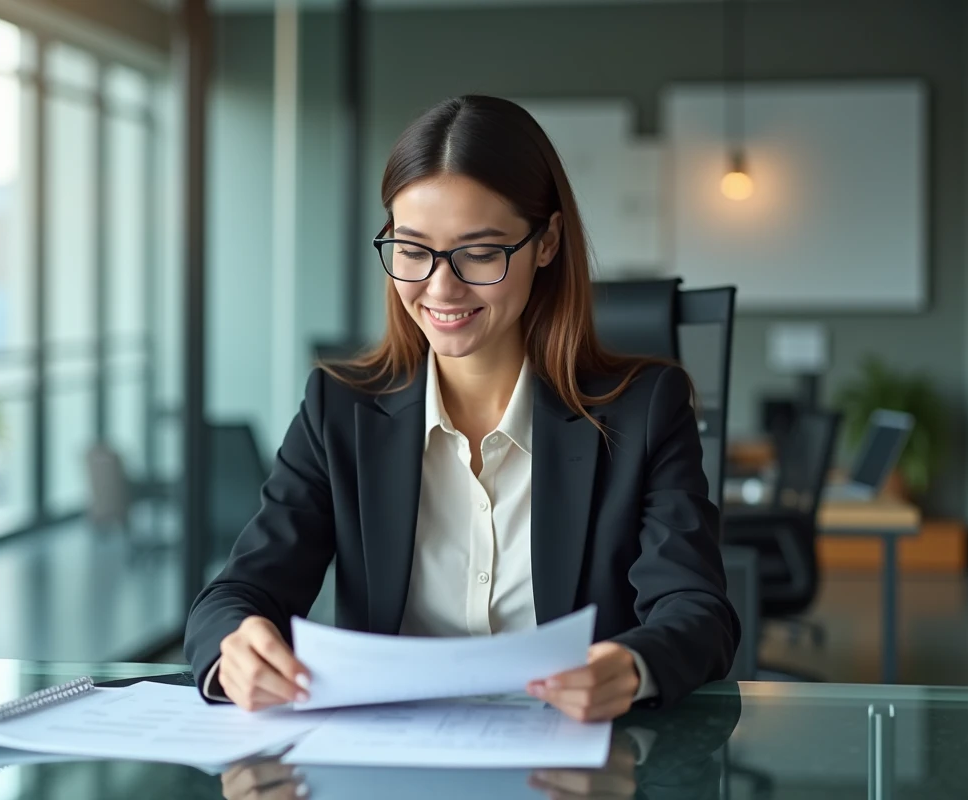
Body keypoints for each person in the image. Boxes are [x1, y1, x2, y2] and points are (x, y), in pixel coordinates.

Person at [185, 94, 739, 721]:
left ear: (547, 242)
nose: (440, 287)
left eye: (480, 252)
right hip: (390, 764)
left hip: (572, 764)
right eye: (412, 249)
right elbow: (235, 593)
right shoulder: (338, 411)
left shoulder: (644, 411)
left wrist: (633, 667)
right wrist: (234, 648)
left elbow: (696, 612)